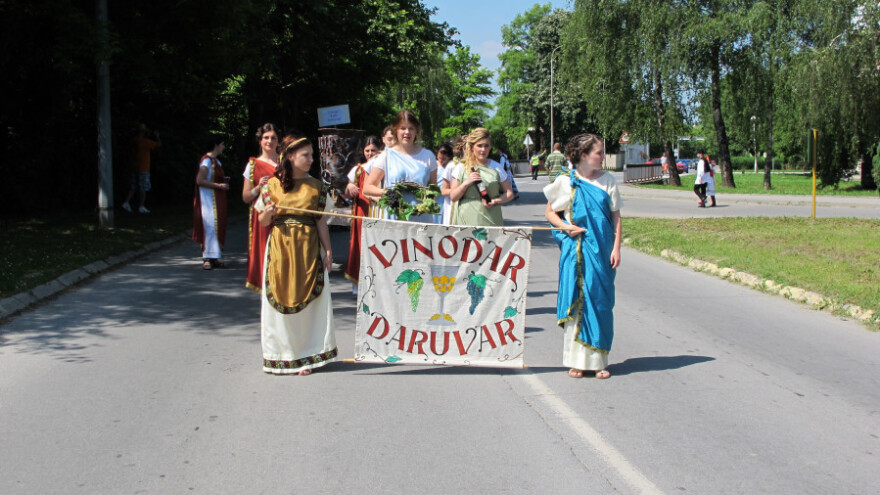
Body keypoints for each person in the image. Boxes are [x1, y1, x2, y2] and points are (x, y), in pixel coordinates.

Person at [543, 133, 622, 380]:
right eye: (599, 152)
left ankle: (598, 361)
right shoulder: (567, 182)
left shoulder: (607, 180)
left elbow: (616, 217)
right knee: (577, 302)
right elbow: (550, 213)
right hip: (576, 251)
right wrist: (566, 227)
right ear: (584, 155)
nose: (602, 156)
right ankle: (575, 361)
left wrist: (616, 247)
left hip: (601, 250)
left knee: (599, 303)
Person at [256, 134, 337, 375]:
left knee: (309, 302)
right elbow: (262, 221)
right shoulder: (271, 185)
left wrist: (329, 250)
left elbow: (321, 220)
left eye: (312, 155)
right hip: (281, 246)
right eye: (306, 155)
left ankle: (307, 356)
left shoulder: (316, 186)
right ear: (290, 157)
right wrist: (269, 212)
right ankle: (283, 355)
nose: (312, 159)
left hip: (308, 246)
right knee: (281, 297)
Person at [362, 110, 438, 222]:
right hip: (395, 217)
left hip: (421, 218)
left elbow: (433, 188)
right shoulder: (386, 156)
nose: (407, 132)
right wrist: (387, 192)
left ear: (416, 131)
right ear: (396, 130)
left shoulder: (428, 156)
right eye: (403, 128)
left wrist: (427, 202)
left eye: (411, 128)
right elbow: (367, 188)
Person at [449, 127, 514, 227]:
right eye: (479, 146)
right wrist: (466, 183)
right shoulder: (461, 167)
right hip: (466, 221)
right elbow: (453, 197)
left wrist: (496, 201)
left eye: (486, 146)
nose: (483, 149)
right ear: (472, 147)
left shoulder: (496, 167)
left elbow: (509, 193)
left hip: (491, 218)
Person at [242, 123, 280, 292]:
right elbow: (245, 197)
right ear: (260, 141)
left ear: (278, 141)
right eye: (266, 138)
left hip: (282, 213)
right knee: (265, 251)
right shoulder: (252, 165)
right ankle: (266, 291)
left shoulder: (285, 162)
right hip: (262, 215)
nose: (269, 141)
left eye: (273, 138)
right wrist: (258, 187)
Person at [343, 135, 384, 290]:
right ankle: (360, 285)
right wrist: (350, 188)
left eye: (373, 150)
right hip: (363, 212)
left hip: (380, 211)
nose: (370, 153)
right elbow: (347, 192)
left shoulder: (384, 167)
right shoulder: (358, 169)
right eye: (367, 150)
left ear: (379, 150)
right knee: (362, 246)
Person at [192, 135, 229, 270]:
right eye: (222, 144)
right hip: (207, 198)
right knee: (209, 226)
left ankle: (215, 257)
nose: (223, 147)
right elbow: (199, 180)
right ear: (216, 145)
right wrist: (219, 186)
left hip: (217, 198)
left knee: (217, 226)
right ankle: (207, 257)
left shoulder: (216, 162)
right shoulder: (206, 161)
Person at [122, 124, 160, 213]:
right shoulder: (144, 141)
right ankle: (141, 206)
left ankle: (126, 202)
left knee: (133, 186)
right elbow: (158, 145)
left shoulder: (134, 140)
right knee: (143, 187)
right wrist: (157, 136)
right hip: (143, 167)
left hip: (134, 166)